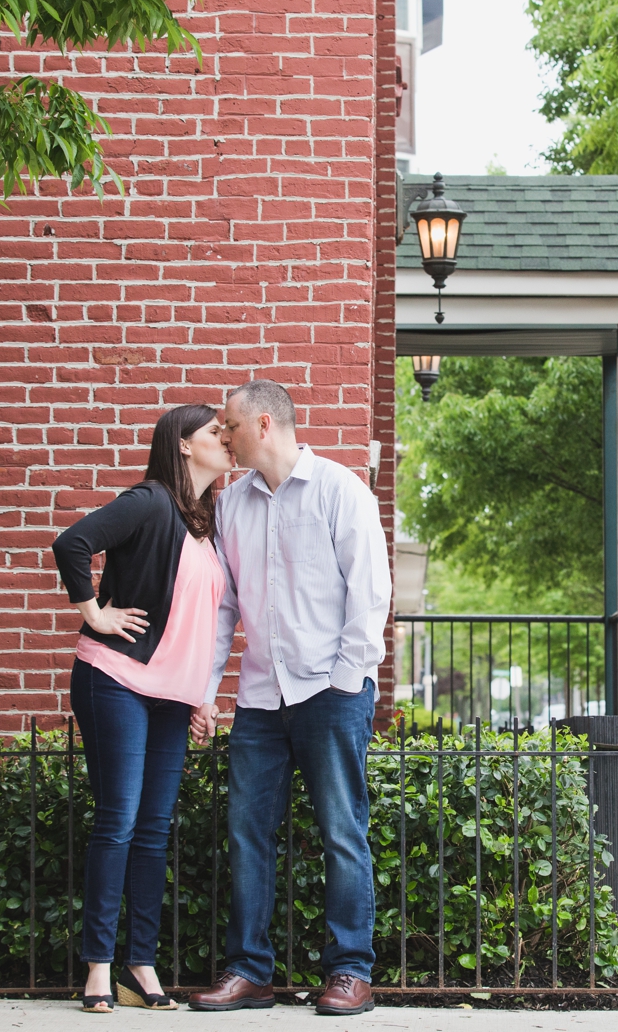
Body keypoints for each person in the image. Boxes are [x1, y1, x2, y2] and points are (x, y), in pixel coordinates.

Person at [190, 380, 390, 1017]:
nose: (222, 435)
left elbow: (370, 595)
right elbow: (223, 608)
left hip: (330, 692)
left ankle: (350, 972)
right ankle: (250, 972)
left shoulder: (339, 490)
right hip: (259, 697)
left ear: (266, 425)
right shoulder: (232, 504)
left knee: (341, 833)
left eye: (230, 426)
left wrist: (345, 679)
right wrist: (205, 689)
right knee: (249, 835)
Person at [52, 404, 233, 1013]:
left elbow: (201, 622)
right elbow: (74, 541)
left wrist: (199, 697)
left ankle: (141, 963)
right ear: (183, 445)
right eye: (215, 432)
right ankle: (98, 968)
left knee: (153, 832)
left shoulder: (208, 522)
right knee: (120, 820)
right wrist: (95, 614)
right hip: (117, 679)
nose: (226, 440)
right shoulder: (151, 500)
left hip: (170, 698)